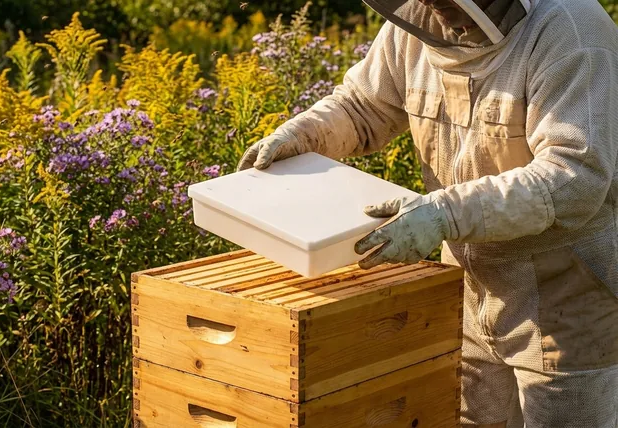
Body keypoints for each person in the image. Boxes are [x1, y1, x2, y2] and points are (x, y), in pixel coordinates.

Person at [237, 0, 618, 426]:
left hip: (564, 292)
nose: (438, 12)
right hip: (464, 287)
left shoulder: (572, 32)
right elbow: (364, 105)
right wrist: (304, 134)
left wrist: (443, 214)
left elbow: (574, 176)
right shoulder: (416, 27)